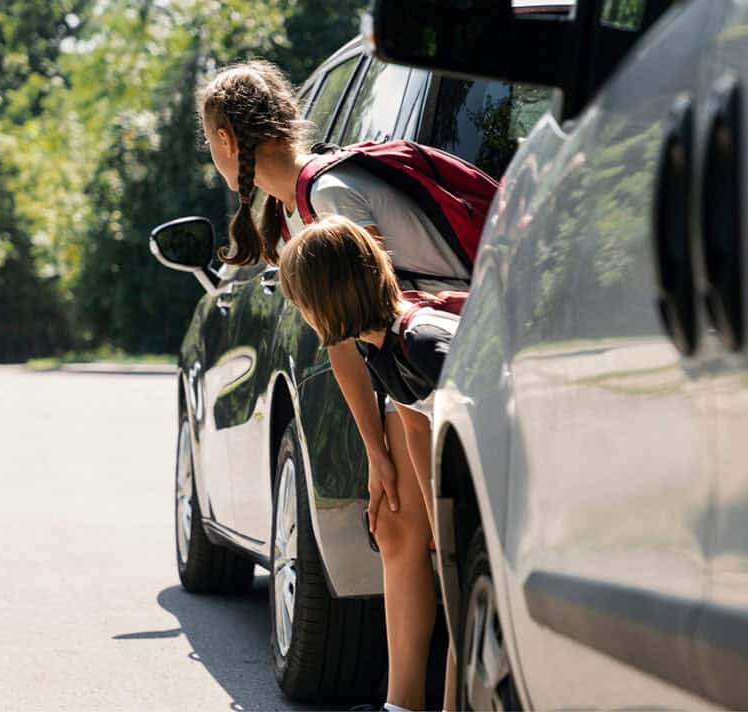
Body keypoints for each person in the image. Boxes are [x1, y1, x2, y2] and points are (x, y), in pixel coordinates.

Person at [195, 60, 466, 711]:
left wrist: (381, 451)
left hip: (448, 365)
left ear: (229, 139)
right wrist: (374, 451)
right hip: (421, 372)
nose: (210, 152)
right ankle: (406, 702)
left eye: (209, 139)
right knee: (403, 531)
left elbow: (374, 315)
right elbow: (347, 337)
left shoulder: (330, 197)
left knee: (452, 555)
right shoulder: (302, 204)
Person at [279, 216, 459, 418]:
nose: (304, 315)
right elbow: (416, 428)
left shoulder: (420, 341)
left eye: (302, 303)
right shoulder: (373, 345)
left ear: (329, 301)